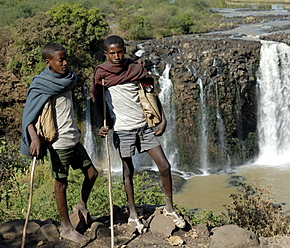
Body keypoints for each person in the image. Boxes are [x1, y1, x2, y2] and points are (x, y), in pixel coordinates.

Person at [92, 35, 185, 233]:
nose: (116, 56)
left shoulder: (134, 69)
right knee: (127, 172)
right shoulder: (102, 74)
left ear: (124, 50)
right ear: (105, 54)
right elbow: (97, 102)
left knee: (165, 166)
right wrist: (102, 124)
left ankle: (169, 208)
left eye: (120, 52)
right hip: (122, 130)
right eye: (112, 53)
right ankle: (133, 215)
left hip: (144, 127)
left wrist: (163, 118)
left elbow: (151, 93)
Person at [20, 43, 98, 244]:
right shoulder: (40, 84)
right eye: (60, 60)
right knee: (61, 184)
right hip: (58, 141)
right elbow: (28, 115)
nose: (65, 63)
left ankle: (81, 205)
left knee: (92, 173)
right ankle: (66, 228)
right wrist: (34, 138)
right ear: (48, 62)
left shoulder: (68, 78)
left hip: (73, 136)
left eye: (65, 58)